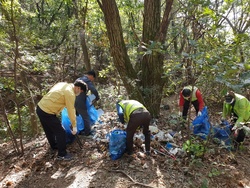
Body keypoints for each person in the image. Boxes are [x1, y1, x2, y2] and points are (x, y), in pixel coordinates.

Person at [36, 80, 87, 160]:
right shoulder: (70, 93)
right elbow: (71, 110)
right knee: (61, 131)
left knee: (49, 130)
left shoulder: (62, 84)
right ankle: (62, 154)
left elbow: (56, 97)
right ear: (78, 88)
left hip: (40, 108)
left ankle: (54, 146)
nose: (79, 93)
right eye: (81, 91)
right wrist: (74, 126)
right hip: (47, 112)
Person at [75, 70, 100, 136]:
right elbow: (93, 90)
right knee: (86, 117)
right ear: (91, 76)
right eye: (93, 78)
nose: (92, 80)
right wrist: (97, 97)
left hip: (73, 100)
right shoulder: (87, 80)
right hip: (80, 101)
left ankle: (78, 130)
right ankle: (87, 132)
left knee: (76, 116)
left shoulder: (79, 79)